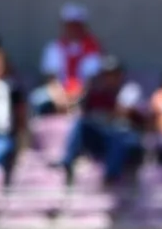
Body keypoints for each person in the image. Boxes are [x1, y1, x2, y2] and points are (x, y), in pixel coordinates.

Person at [59, 55, 145, 186]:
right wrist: (89, 91)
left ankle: (111, 177)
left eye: (113, 74)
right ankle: (68, 161)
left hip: (127, 139)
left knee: (118, 134)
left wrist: (105, 101)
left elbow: (121, 113)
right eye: (106, 74)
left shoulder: (130, 89)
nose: (109, 78)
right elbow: (80, 110)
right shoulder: (95, 91)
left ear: (120, 74)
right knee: (81, 123)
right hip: (103, 136)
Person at [31, 3, 103, 116]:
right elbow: (51, 78)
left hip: (83, 96)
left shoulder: (92, 48)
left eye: (76, 25)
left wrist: (75, 98)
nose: (73, 29)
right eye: (70, 25)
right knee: (37, 98)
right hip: (58, 93)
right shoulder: (53, 48)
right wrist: (60, 97)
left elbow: (90, 81)